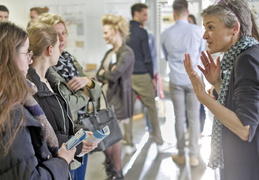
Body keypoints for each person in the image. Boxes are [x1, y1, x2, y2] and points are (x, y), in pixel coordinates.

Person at [184, 0, 259, 179]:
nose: (204, 36)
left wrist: (202, 96)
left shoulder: (245, 59)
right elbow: (240, 104)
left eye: (210, 27)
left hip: (246, 163)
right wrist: (218, 83)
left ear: (234, 28)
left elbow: (245, 128)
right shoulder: (246, 52)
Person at [0, 21, 76, 180]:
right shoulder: (11, 112)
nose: (30, 59)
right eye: (26, 53)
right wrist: (62, 161)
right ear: (9, 56)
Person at [26, 22, 98, 179]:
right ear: (50, 50)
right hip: (49, 165)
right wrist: (77, 143)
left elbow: (61, 121)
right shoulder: (31, 89)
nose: (61, 50)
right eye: (58, 46)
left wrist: (79, 132)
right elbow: (40, 134)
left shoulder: (51, 81)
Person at [161, 0, 204, 166]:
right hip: (193, 79)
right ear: (187, 11)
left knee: (179, 117)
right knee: (194, 117)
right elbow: (201, 53)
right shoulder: (197, 31)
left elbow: (165, 55)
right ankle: (193, 155)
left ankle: (180, 152)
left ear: (173, 13)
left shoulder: (166, 34)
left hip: (176, 79)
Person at [96, 14, 134, 179]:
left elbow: (114, 75)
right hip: (105, 99)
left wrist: (106, 74)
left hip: (117, 101)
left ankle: (117, 173)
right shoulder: (109, 52)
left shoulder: (127, 52)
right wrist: (105, 74)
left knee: (113, 138)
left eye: (106, 32)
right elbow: (99, 74)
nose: (104, 36)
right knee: (107, 138)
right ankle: (112, 170)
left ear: (116, 31)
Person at [126, 2, 164, 151]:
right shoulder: (142, 33)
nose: (147, 18)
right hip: (142, 75)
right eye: (145, 15)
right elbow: (147, 58)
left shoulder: (124, 31)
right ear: (136, 14)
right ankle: (158, 139)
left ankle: (128, 142)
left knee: (128, 110)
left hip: (127, 76)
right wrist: (152, 78)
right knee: (152, 108)